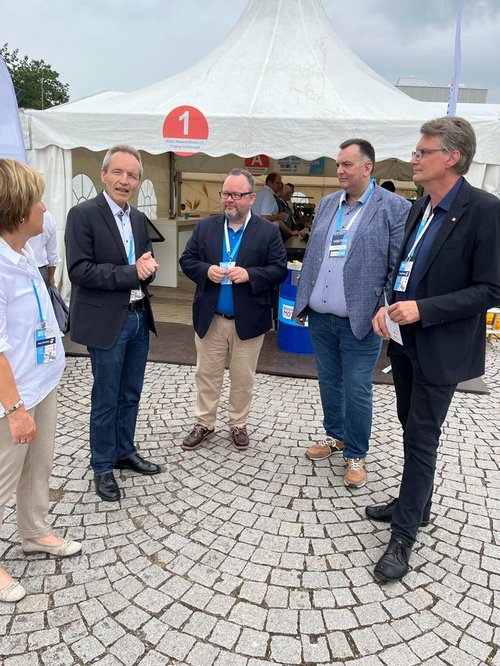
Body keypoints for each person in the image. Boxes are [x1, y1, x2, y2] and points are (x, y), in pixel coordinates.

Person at [369, 117, 500, 582]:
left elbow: (491, 289)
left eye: (423, 152)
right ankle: (416, 504)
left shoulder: (484, 210)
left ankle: (404, 535)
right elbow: (403, 267)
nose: (414, 158)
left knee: (422, 437)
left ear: (452, 157)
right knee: (410, 427)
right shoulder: (418, 207)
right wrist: (387, 305)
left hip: (440, 347)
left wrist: (423, 310)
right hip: (404, 343)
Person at [294, 139, 410, 488]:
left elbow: (396, 266)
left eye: (346, 164)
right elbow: (314, 255)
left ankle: (357, 453)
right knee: (329, 380)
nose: (340, 170)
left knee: (357, 387)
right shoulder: (329, 203)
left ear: (367, 167)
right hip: (320, 315)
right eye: (338, 164)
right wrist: (302, 300)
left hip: (361, 319)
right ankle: (336, 437)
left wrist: (384, 307)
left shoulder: (394, 207)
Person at [0, 159, 82, 604]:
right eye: (36, 201)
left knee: (39, 466)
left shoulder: (23, 252)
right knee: (3, 476)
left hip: (41, 381)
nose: (44, 209)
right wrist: (15, 410)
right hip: (12, 395)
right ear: (16, 212)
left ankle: (34, 530)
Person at [65, 145, 161, 503]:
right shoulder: (83, 214)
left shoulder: (138, 219)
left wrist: (148, 270)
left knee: (130, 392)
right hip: (107, 321)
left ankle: (124, 451)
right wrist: (132, 272)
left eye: (132, 175)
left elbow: (145, 265)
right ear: (103, 174)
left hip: (138, 316)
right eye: (118, 172)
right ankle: (103, 465)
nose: (125, 180)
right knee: (106, 396)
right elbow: (79, 270)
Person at [179, 168, 288, 451]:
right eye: (225, 193)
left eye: (236, 195)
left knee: (242, 377)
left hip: (249, 319)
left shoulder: (267, 232)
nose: (229, 199)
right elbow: (187, 260)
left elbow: (279, 269)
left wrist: (251, 275)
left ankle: (238, 423)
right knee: (207, 374)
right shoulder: (205, 227)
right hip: (211, 317)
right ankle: (204, 423)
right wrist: (206, 270)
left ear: (251, 198)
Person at [26, 210, 61, 288]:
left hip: (17, 266)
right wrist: (51, 277)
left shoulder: (13, 213)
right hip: (40, 270)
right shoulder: (48, 217)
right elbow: (52, 255)